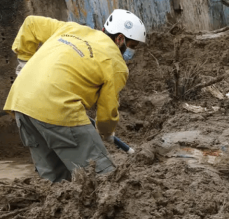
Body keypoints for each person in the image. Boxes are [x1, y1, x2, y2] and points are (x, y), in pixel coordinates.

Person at [4, 10, 147, 182]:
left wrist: (24, 62)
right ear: (120, 39)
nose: (132, 52)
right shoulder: (116, 63)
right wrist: (106, 132)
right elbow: (107, 109)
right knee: (102, 177)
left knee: (54, 180)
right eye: (133, 46)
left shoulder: (72, 29)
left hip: (20, 103)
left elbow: (31, 23)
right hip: (59, 109)